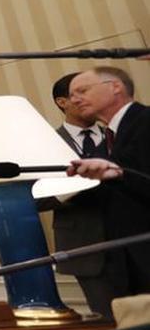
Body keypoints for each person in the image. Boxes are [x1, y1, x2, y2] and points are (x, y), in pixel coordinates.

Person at [67, 66, 150, 297]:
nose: (74, 100)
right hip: (125, 262)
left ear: (115, 87)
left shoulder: (146, 121)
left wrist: (122, 175)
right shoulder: (104, 145)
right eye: (72, 95)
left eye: (82, 90)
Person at [43, 73, 115, 316]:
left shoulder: (118, 134)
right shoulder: (45, 143)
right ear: (62, 102)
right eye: (83, 93)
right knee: (109, 322)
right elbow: (35, 199)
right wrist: (75, 185)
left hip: (136, 240)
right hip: (84, 247)